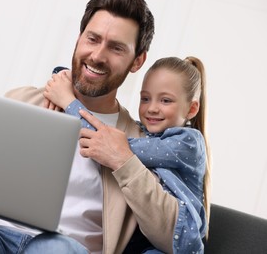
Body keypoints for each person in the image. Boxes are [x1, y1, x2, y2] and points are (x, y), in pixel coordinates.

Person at [0, 0, 190, 253]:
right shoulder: (21, 99)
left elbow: (172, 234)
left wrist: (124, 160)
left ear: (137, 60)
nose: (97, 55)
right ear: (79, 38)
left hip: (62, 247)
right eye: (92, 39)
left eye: (116, 47)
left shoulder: (142, 141)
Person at [44, 56, 212, 252]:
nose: (152, 108)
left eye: (165, 100)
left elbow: (112, 145)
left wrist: (68, 101)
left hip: (178, 241)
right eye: (145, 98)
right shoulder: (144, 132)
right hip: (140, 238)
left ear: (191, 109)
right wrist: (61, 76)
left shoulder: (188, 142)